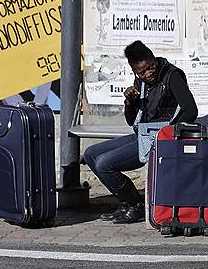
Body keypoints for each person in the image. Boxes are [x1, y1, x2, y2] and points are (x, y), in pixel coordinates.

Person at [83, 40, 198, 224]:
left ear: (153, 58)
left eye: (150, 67)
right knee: (91, 154)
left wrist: (168, 133)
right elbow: (132, 121)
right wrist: (130, 102)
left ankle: (135, 205)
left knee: (105, 163)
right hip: (144, 134)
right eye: (141, 72)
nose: (148, 74)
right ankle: (125, 202)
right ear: (134, 70)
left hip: (162, 139)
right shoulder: (141, 82)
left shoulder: (172, 75)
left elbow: (191, 111)